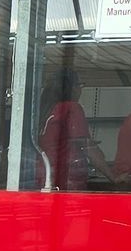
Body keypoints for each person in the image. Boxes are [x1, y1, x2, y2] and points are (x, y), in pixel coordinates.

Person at [37, 58, 100, 190]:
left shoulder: (46, 109)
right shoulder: (71, 108)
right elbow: (88, 148)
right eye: (80, 85)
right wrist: (113, 177)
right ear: (73, 88)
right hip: (67, 176)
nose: (80, 90)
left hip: (46, 173)